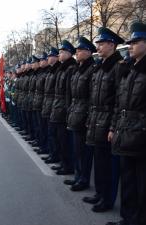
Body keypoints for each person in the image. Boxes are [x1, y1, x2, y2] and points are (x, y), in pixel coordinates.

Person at [84, 27, 128, 213]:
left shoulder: (118, 67)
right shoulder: (101, 66)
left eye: (101, 44)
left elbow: (120, 100)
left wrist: (113, 126)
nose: (98, 47)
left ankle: (108, 199)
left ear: (112, 44)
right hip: (97, 120)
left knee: (109, 165)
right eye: (98, 44)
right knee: (99, 162)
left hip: (109, 121)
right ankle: (100, 194)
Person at [107, 21, 146, 225]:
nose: (130, 45)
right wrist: (113, 127)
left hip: (141, 135)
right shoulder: (129, 70)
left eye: (136, 41)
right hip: (125, 132)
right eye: (129, 42)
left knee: (142, 184)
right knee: (128, 180)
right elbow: (118, 103)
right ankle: (127, 219)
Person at [65, 37, 97, 191]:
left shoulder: (92, 70)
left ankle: (83, 179)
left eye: (79, 50)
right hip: (76, 113)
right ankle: (78, 176)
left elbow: (93, 97)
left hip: (84, 115)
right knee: (77, 149)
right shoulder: (78, 69)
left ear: (88, 52)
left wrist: (89, 117)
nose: (76, 52)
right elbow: (73, 95)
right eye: (76, 50)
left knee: (84, 152)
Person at [50, 40, 77, 175]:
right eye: (59, 52)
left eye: (61, 52)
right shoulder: (63, 68)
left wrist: (67, 111)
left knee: (65, 141)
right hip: (58, 108)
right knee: (60, 138)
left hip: (64, 110)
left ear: (69, 53)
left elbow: (69, 93)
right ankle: (63, 163)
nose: (59, 55)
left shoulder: (70, 69)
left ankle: (68, 166)